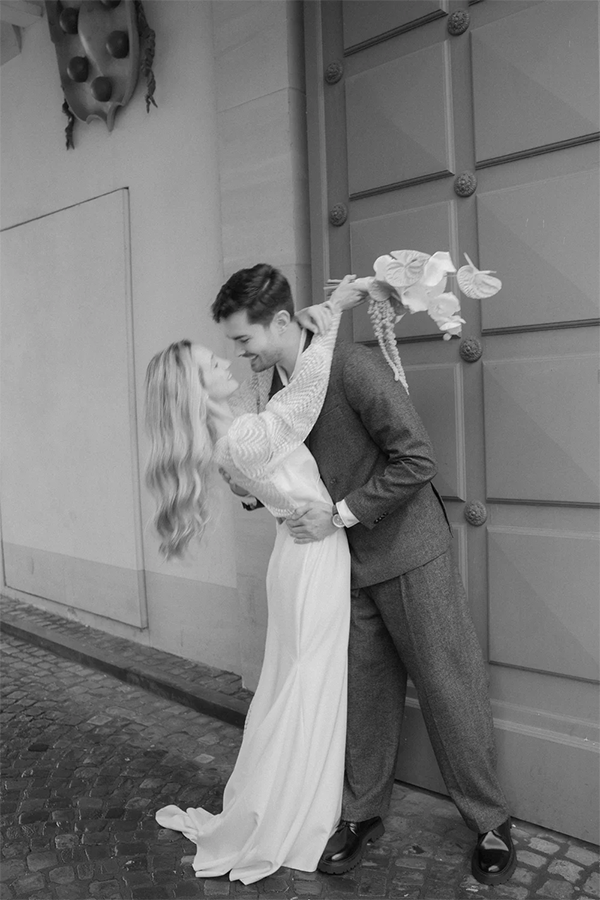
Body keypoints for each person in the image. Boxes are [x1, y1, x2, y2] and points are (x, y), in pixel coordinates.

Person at [212, 263, 517, 887]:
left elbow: (418, 458)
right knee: (364, 695)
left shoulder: (351, 366)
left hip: (408, 550)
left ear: (278, 321)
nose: (239, 352)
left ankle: (490, 823)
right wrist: (255, 493)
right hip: (338, 568)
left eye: (243, 339)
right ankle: (362, 815)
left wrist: (341, 515)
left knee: (446, 685)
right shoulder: (270, 387)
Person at [144, 277, 367, 885]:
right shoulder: (240, 434)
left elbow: (267, 385)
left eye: (232, 345)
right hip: (312, 553)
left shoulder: (233, 426)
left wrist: (306, 321)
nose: (228, 357)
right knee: (309, 679)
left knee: (296, 678)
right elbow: (304, 399)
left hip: (297, 553)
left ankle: (286, 795)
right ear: (198, 387)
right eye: (212, 360)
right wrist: (336, 319)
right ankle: (297, 810)